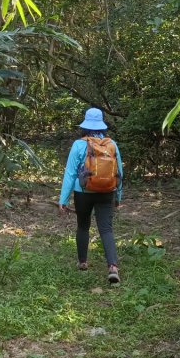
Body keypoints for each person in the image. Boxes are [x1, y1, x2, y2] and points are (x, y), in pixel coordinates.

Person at [59, 107, 124, 284]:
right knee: (106, 229)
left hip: (83, 193)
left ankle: (82, 262)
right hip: (107, 192)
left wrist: (63, 200)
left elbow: (70, 174)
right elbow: (119, 173)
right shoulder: (112, 144)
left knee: (83, 226)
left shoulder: (78, 145)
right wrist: (118, 197)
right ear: (102, 125)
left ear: (85, 126)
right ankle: (113, 267)